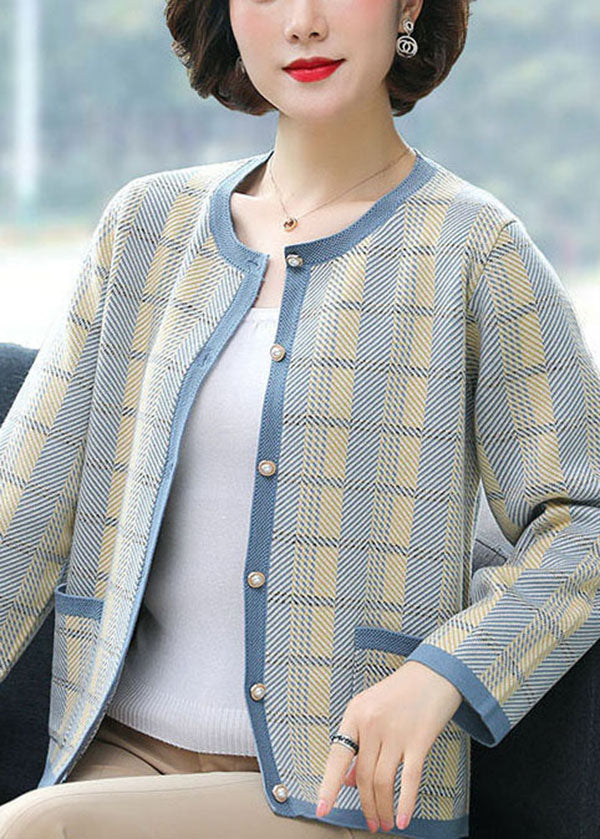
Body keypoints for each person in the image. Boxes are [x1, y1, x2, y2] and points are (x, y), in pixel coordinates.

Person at [0, 0, 598, 837]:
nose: (304, 21)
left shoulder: (475, 252)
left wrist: (443, 673)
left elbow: (584, 522)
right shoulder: (145, 228)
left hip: (337, 791)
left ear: (408, 6)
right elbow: (21, 508)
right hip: (114, 759)